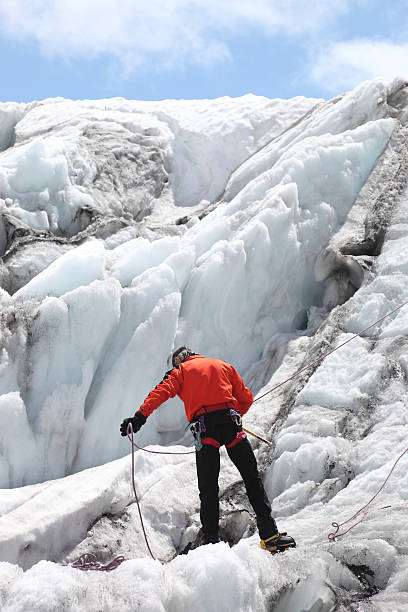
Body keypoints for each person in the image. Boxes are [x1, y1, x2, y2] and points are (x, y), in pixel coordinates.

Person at [120, 347, 296, 554]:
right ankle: (270, 536)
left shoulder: (180, 372)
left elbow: (160, 393)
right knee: (251, 478)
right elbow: (246, 398)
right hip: (232, 425)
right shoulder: (223, 365)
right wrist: (232, 416)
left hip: (205, 430)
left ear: (178, 360)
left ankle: (211, 544)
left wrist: (139, 418)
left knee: (209, 488)